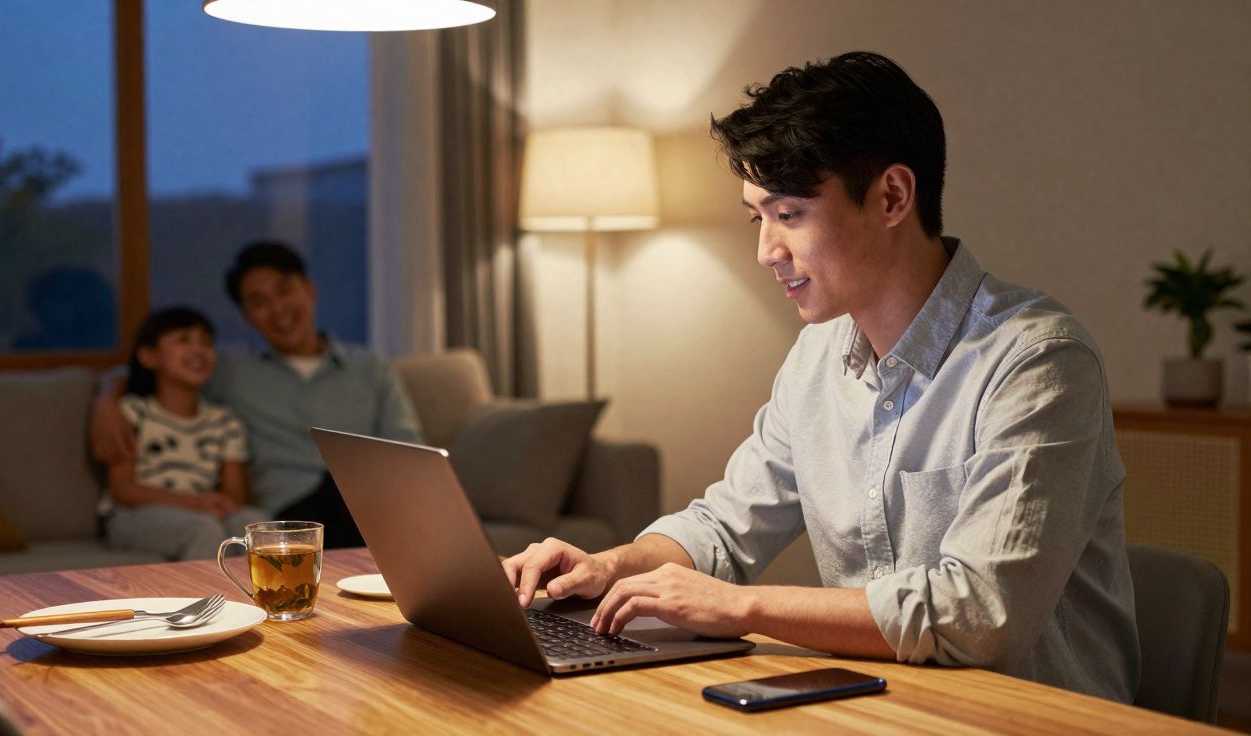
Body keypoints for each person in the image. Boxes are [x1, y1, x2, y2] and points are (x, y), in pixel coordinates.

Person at [503, 51, 1140, 702]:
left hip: (1026, 715)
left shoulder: (1039, 361)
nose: (765, 252)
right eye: (758, 217)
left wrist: (741, 607)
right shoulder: (817, 356)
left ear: (892, 197)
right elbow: (723, 526)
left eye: (789, 215)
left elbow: (979, 613)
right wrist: (607, 567)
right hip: (879, 704)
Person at [92, 242, 423, 548]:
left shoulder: (369, 367)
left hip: (364, 500)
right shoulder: (232, 369)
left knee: (385, 503)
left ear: (309, 290)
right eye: (258, 302)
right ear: (246, 316)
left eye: (285, 290)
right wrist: (106, 400)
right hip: (289, 511)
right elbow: (156, 371)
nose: (277, 309)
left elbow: (408, 451)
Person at [102, 307, 265, 560]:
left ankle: (266, 587)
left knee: (255, 524)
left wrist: (220, 504)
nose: (198, 349)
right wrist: (194, 504)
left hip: (202, 511)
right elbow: (122, 489)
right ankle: (205, 588)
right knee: (202, 529)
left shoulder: (224, 421)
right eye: (183, 340)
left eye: (206, 342)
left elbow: (235, 494)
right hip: (133, 514)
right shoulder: (133, 413)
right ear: (149, 356)